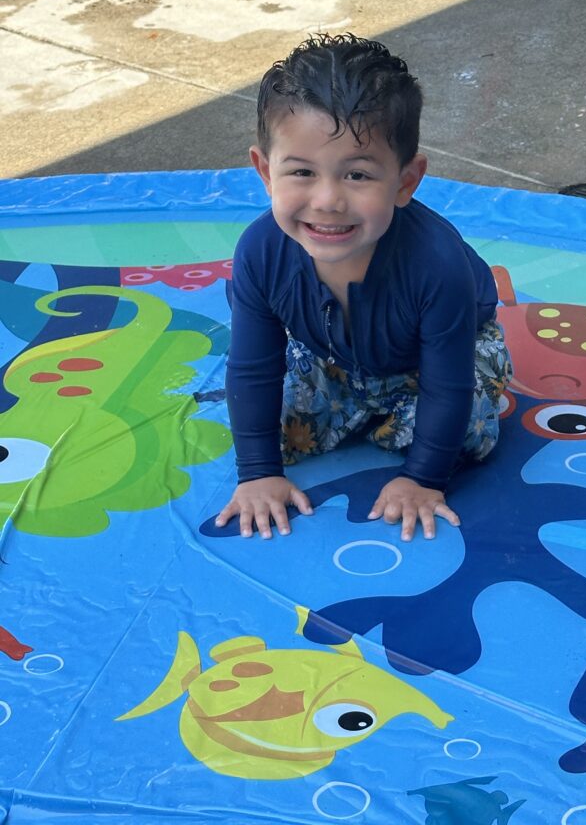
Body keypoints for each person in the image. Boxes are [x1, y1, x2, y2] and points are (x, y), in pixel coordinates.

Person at [216, 34, 512, 542]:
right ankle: (376, 411)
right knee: (266, 428)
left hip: (439, 361)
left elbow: (448, 384)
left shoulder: (437, 264)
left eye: (356, 174)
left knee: (465, 430)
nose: (328, 200)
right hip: (338, 359)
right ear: (265, 172)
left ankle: (389, 417)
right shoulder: (260, 253)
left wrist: (423, 479)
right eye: (301, 172)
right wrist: (258, 473)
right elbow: (253, 367)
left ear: (405, 181)